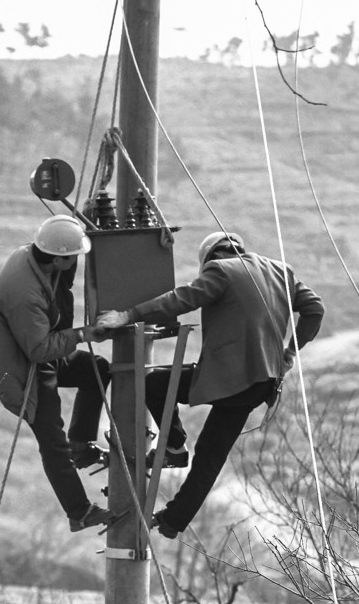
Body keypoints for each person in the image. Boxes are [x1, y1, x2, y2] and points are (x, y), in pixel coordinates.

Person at [96, 230, 324, 537]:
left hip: (230, 377)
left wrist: (128, 315)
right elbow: (315, 309)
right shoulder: (280, 270)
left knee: (155, 385)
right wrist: (290, 353)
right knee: (210, 457)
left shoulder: (220, 271)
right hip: (262, 383)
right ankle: (172, 521)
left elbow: (181, 299)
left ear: (209, 259)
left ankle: (174, 447)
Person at [0, 214, 117, 532]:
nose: (76, 262)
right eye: (73, 257)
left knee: (96, 370)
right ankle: (79, 511)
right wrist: (83, 335)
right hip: (23, 368)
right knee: (52, 440)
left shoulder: (37, 258)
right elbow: (39, 350)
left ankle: (81, 444)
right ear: (58, 258)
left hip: (39, 350)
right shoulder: (26, 294)